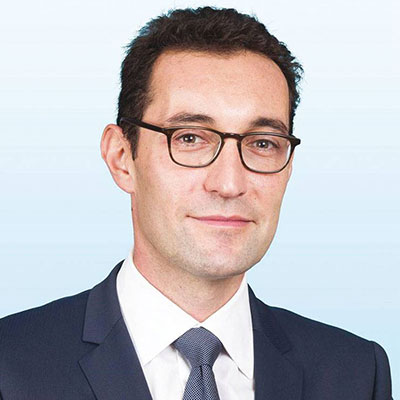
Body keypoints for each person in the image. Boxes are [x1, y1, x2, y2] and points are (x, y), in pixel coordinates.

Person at [0, 6, 392, 400]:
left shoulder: (356, 373)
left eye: (262, 143)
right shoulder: (10, 364)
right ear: (121, 158)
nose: (229, 184)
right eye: (190, 138)